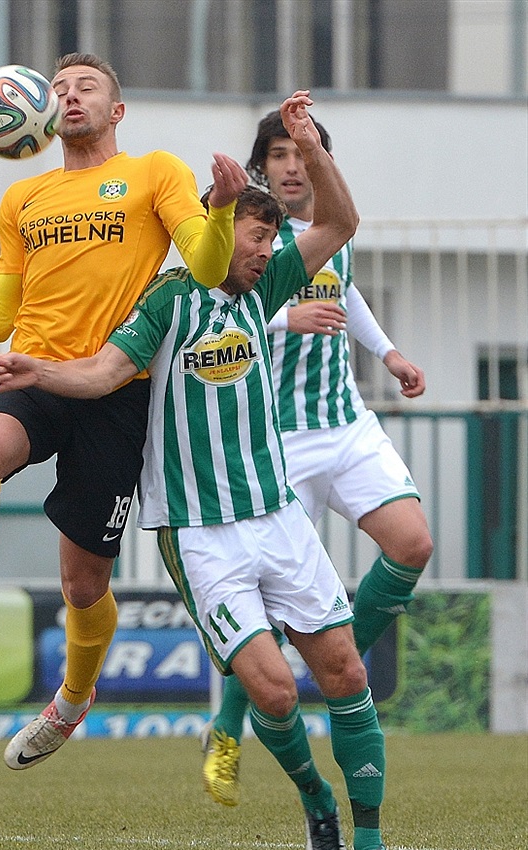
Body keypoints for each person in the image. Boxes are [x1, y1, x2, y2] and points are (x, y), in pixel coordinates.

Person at [0, 91, 409, 850]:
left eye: (272, 239)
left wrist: (311, 147)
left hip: (278, 512)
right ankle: (316, 800)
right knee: (274, 688)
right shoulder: (169, 300)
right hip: (200, 531)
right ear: (226, 234)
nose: (270, 249)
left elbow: (340, 224)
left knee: (346, 672)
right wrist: (37, 369)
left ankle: (376, 844)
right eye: (258, 236)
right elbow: (108, 372)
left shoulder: (264, 288)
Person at [0, 53, 246, 748]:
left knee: (83, 585)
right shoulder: (23, 200)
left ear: (116, 110)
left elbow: (211, 268)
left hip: (116, 388)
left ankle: (70, 701)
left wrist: (218, 211)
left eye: (85, 86)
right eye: (58, 87)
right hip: (32, 372)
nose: (69, 95)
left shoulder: (155, 171)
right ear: (39, 111)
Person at [201, 110, 434, 813]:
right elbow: (217, 308)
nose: (295, 166)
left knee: (413, 542)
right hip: (278, 441)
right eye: (280, 155)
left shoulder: (336, 226)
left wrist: (387, 352)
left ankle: (340, 675)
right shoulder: (250, 239)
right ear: (261, 169)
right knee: (266, 613)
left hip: (345, 424)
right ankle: (226, 726)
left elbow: (348, 290)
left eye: (307, 152)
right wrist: (283, 316)